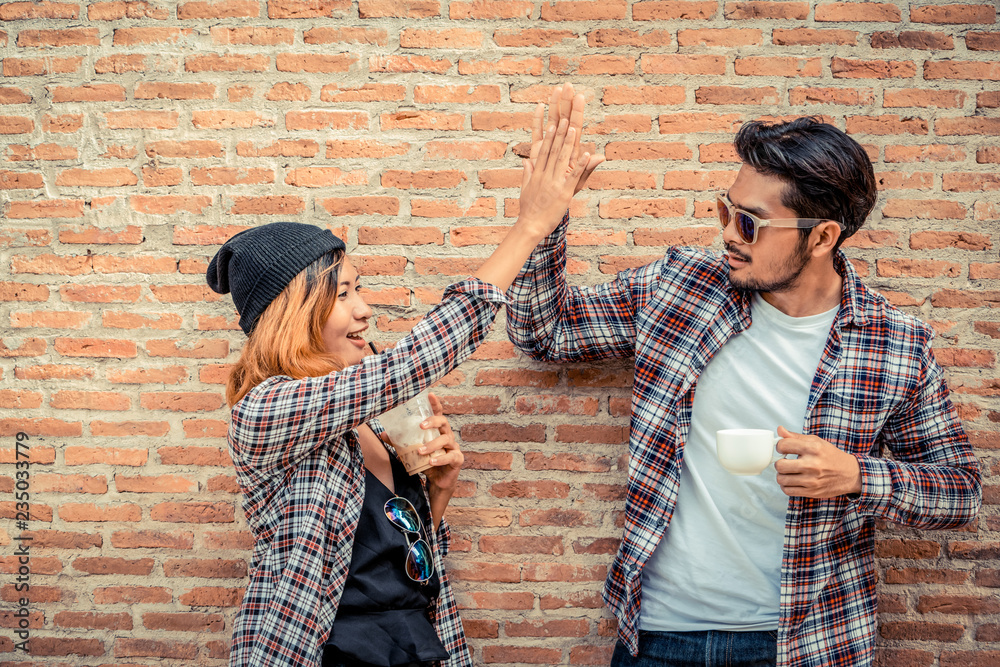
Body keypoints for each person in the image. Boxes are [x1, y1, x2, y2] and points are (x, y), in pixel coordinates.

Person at [505, 115, 982, 667]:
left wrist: (856, 476)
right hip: (659, 636)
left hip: (808, 643)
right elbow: (545, 333)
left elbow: (959, 492)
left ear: (822, 236)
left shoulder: (893, 344)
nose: (729, 233)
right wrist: (544, 220)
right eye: (726, 211)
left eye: (751, 223)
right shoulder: (679, 289)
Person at [207, 84, 602, 667]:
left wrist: (436, 496)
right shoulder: (266, 411)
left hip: (415, 644)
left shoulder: (373, 422)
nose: (365, 309)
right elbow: (412, 363)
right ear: (297, 315)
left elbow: (401, 565)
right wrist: (529, 227)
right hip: (326, 650)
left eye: (359, 287)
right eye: (344, 294)